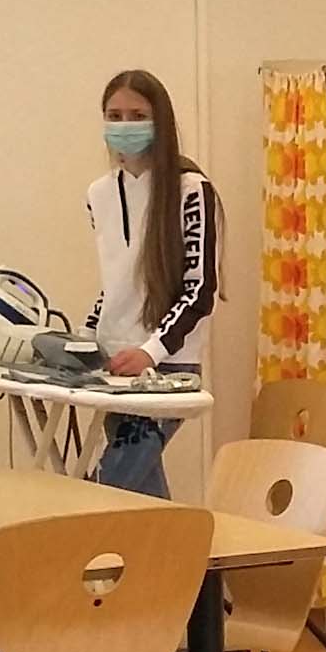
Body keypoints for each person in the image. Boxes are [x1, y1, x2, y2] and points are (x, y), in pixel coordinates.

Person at [85, 69, 221, 498]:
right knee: (140, 498)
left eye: (137, 115)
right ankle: (181, 547)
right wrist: (83, 339)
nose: (125, 126)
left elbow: (200, 290)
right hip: (113, 364)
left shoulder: (191, 190)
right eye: (115, 116)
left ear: (160, 120)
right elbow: (116, 283)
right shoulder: (98, 194)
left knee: (103, 489)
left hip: (168, 367)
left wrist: (151, 350)